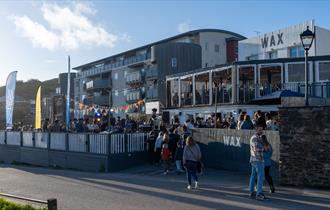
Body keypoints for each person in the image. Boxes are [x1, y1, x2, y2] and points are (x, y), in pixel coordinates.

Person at [249, 124, 266, 200]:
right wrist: (264, 148)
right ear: (256, 130)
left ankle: (252, 191)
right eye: (259, 130)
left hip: (254, 160)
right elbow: (256, 149)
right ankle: (259, 193)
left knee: (253, 176)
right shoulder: (255, 138)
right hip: (258, 159)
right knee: (260, 177)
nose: (261, 131)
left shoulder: (258, 138)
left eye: (262, 130)